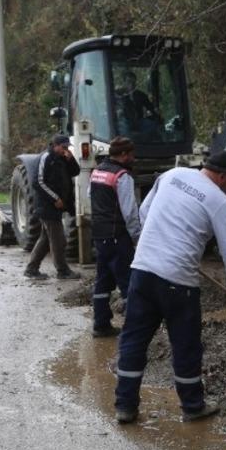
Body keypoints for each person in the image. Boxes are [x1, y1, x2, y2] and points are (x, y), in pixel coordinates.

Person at [113, 151, 226, 424]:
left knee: (133, 341)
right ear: (223, 177)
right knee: (186, 345)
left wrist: (160, 241)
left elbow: (143, 212)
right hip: (178, 282)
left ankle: (125, 407)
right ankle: (192, 406)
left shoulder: (171, 175)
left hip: (141, 270)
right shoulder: (219, 201)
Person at [88, 136, 142, 338]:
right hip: (118, 235)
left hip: (100, 235)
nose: (133, 158)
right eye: (132, 154)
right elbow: (129, 211)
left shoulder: (97, 171)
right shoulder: (122, 176)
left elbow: (90, 195)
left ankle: (100, 324)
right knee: (128, 281)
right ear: (124, 155)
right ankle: (133, 328)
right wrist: (137, 237)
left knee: (102, 281)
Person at [24, 134, 80, 280]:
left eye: (67, 147)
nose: (65, 150)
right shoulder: (46, 158)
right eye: (63, 147)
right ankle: (62, 271)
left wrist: (71, 159)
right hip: (47, 206)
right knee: (59, 240)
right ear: (55, 145)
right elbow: (38, 182)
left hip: (56, 206)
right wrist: (55, 198)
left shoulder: (62, 158)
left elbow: (75, 172)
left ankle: (31, 269)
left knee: (45, 239)